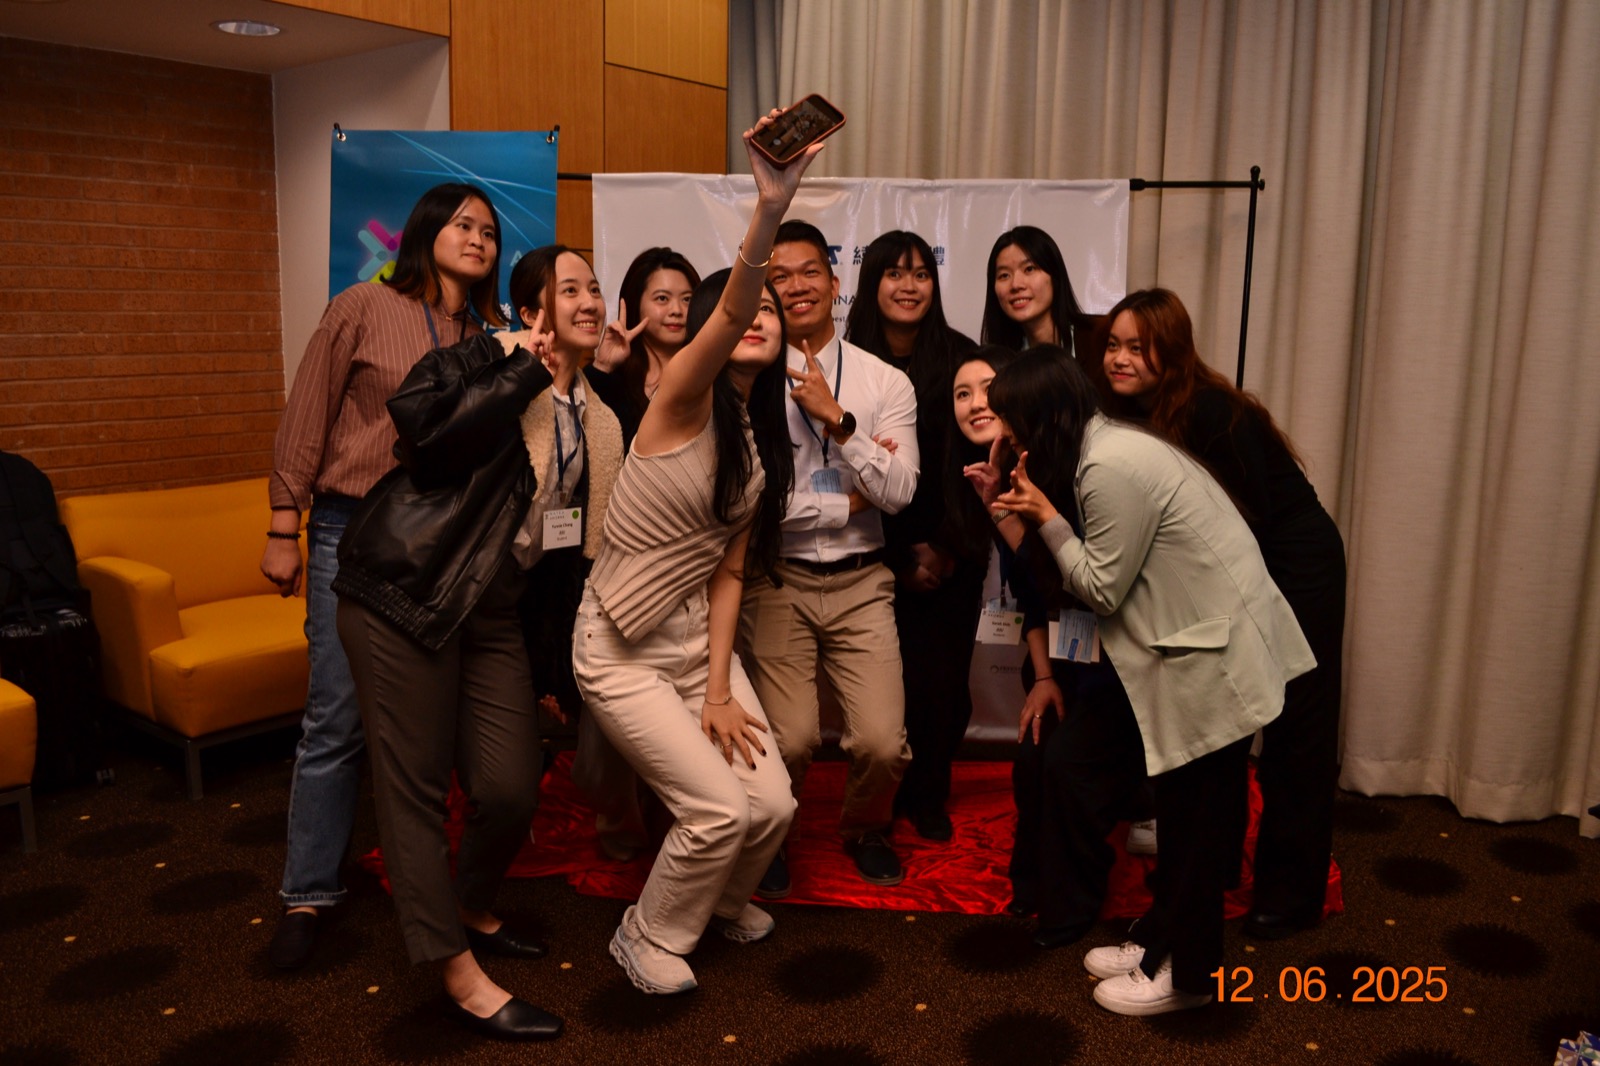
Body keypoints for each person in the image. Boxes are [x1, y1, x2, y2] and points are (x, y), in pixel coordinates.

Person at [987, 350, 1315, 1016]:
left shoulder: (1107, 468)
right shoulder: (1103, 448)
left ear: (1044, 414)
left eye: (1012, 420)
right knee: (1186, 815)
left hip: (1211, 658)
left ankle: (1188, 977)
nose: (1005, 436)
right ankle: (1162, 939)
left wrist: (1046, 516)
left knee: (1197, 826)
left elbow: (1102, 589)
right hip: (1196, 647)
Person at [571, 112, 813, 995]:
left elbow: (730, 574)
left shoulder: (756, 445)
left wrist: (714, 689)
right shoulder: (679, 397)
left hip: (686, 646)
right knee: (714, 809)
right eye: (739, 313)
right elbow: (739, 301)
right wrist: (770, 205)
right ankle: (645, 933)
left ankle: (713, 905)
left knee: (773, 803)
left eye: (772, 314)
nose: (756, 320)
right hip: (618, 647)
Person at [261, 182, 503, 972]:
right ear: (425, 229)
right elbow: (308, 416)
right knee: (335, 720)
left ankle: (445, 893)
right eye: (463, 225)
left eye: (489, 233)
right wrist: (283, 525)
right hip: (350, 531)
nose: (477, 239)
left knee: (432, 733)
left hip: (446, 548)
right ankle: (307, 895)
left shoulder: (495, 332)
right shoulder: (361, 308)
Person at [329, 282, 575, 1038]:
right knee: (415, 791)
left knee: (508, 787)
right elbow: (425, 438)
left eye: (596, 287)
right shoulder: (482, 361)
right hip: (409, 593)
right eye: (571, 288)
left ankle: (465, 905)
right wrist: (514, 362)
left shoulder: (593, 409)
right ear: (533, 308)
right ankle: (456, 974)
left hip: (491, 610)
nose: (589, 300)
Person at [1094, 288, 1347, 940]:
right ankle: (1222, 870)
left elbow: (1240, 524)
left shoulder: (1210, 411)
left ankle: (1291, 896)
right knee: (1223, 719)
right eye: (1113, 344)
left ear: (1170, 351)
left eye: (1136, 346)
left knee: (1295, 729)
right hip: (1236, 570)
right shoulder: (1129, 413)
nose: (1120, 358)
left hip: (1295, 565)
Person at [740, 219, 918, 895]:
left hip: (862, 581)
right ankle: (774, 836)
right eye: (777, 277)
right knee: (787, 742)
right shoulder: (750, 377)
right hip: (775, 579)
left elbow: (900, 492)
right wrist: (849, 500)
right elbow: (753, 506)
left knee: (880, 743)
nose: (795, 286)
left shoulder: (883, 383)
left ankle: (865, 828)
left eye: (808, 271)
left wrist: (837, 420)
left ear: (835, 283)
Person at [953, 347, 1147, 949]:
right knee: (1036, 751)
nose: (998, 422)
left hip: (1126, 652)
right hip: (1067, 655)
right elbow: (1037, 588)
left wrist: (1019, 510)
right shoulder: (1024, 467)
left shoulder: (1097, 474)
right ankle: (1034, 890)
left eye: (1008, 410)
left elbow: (1090, 586)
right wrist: (1042, 678)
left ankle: (1070, 911)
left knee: (1069, 765)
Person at [844, 230, 978, 841]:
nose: (908, 286)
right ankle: (888, 797)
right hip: (877, 552)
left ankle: (930, 796)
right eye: (895, 274)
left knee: (944, 688)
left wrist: (946, 546)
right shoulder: (847, 364)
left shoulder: (962, 358)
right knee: (891, 691)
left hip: (954, 550)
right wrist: (899, 555)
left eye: (921, 273)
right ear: (872, 284)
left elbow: (979, 465)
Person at [588, 247, 702, 440]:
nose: (677, 310)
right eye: (662, 298)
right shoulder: (613, 380)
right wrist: (603, 365)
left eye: (687, 299)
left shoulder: (708, 376)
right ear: (636, 304)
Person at [980, 225, 1099, 366]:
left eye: (1029, 269)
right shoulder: (998, 362)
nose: (1016, 285)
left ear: (1055, 277)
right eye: (1004, 275)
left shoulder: (1097, 340)